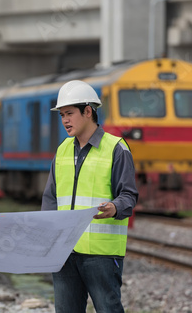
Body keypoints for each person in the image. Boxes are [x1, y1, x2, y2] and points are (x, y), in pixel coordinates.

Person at [42, 80, 138, 313]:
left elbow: (128, 195)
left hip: (101, 256)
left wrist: (115, 207)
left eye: (69, 113)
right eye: (62, 114)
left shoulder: (116, 148)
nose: (64, 120)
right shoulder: (63, 149)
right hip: (64, 253)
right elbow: (51, 198)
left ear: (88, 111)